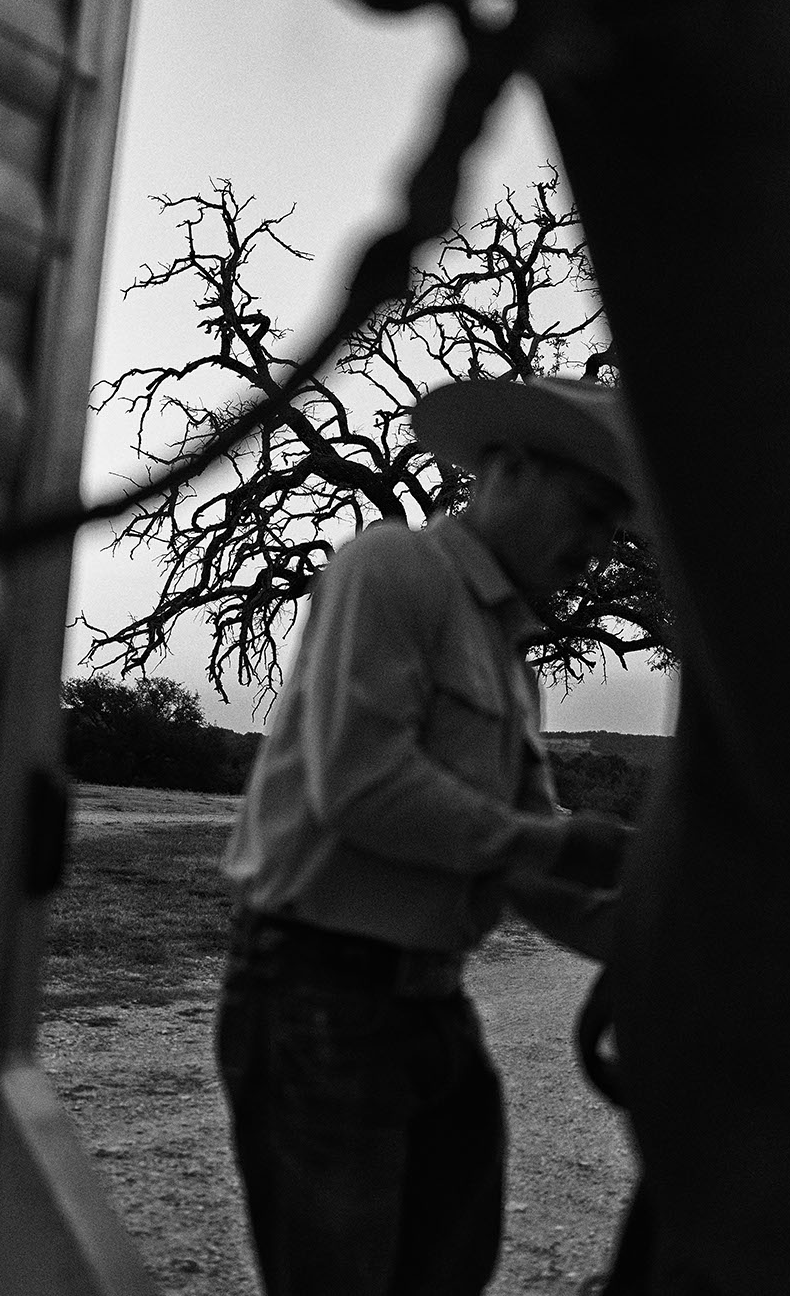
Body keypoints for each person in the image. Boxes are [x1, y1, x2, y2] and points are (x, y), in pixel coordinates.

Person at [215, 373, 652, 1296]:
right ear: (511, 470)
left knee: (449, 1265)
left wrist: (657, 945)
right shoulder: (391, 567)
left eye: (614, 529)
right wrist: (559, 844)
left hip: (427, 1000)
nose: (598, 549)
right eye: (590, 512)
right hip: (317, 991)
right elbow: (362, 785)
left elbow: (524, 859)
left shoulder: (509, 658)